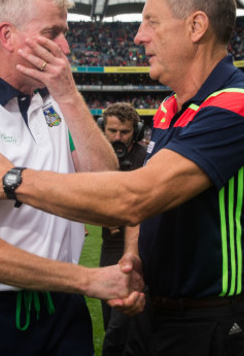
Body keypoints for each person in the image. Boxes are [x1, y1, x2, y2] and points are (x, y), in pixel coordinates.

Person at [0, 0, 244, 356]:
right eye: (53, 34)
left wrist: (10, 178)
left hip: (218, 318)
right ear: (7, 35)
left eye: (151, 22)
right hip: (16, 313)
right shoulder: (169, 109)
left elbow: (129, 197)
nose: (139, 36)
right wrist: (129, 258)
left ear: (197, 26)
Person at [0, 0, 143, 356]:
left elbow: (106, 184)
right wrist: (90, 280)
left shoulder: (55, 102)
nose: (65, 47)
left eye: (65, 33)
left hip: (65, 308)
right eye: (53, 32)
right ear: (8, 36)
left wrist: (69, 94)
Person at [97, 102, 151, 356]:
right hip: (108, 248)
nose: (117, 137)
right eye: (112, 131)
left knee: (122, 330)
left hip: (139, 250)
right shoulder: (95, 156)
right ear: (102, 129)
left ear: (136, 132)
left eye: (125, 132)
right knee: (110, 319)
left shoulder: (148, 158)